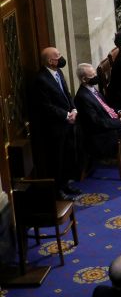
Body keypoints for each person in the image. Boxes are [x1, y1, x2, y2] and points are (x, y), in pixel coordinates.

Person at [29, 47, 79, 198]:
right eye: (58, 56)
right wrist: (65, 115)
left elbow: (67, 93)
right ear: (50, 61)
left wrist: (74, 109)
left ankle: (65, 184)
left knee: (68, 156)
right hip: (54, 127)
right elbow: (46, 106)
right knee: (57, 159)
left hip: (68, 122)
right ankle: (58, 190)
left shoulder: (59, 72)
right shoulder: (41, 79)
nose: (61, 58)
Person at [74, 62, 121, 161]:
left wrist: (120, 112)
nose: (96, 77)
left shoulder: (92, 89)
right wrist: (120, 121)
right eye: (92, 76)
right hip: (103, 134)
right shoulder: (82, 97)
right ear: (84, 79)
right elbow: (97, 123)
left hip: (112, 120)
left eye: (95, 74)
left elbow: (107, 106)